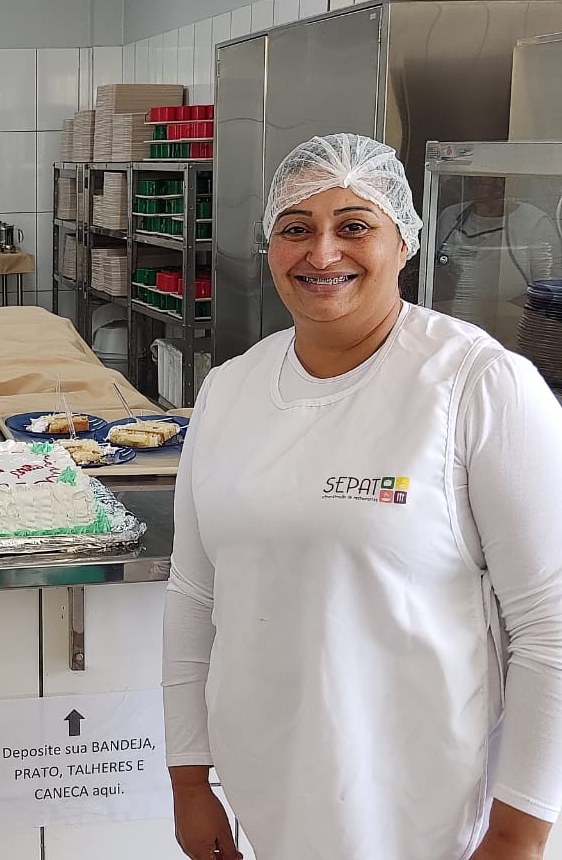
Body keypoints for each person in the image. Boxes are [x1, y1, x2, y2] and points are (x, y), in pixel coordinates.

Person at [162, 134, 562, 860]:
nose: (322, 253)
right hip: (270, 799)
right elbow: (195, 595)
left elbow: (550, 623)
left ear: (402, 241)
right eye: (296, 228)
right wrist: (189, 777)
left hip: (431, 814)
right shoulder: (230, 391)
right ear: (270, 245)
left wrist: (520, 830)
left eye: (353, 225)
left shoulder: (478, 385)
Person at [433, 174, 562, 344]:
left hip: (510, 338)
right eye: (478, 176)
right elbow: (435, 278)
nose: (483, 181)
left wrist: (496, 312)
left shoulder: (535, 223)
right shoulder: (450, 217)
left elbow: (550, 292)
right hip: (452, 334)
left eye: (493, 178)